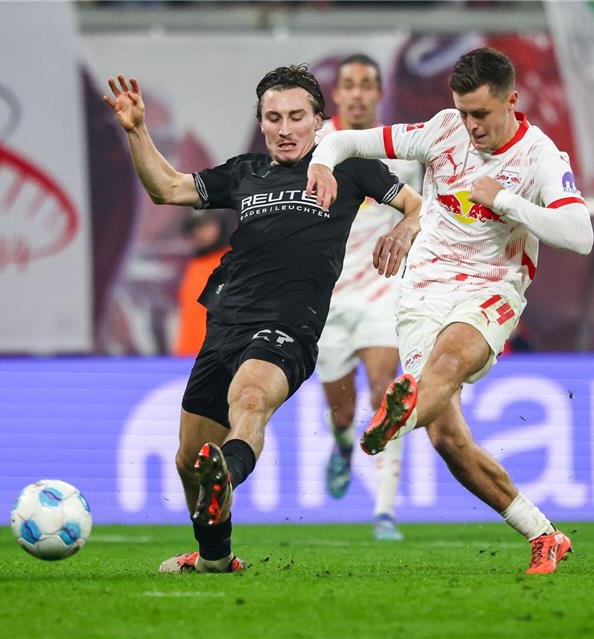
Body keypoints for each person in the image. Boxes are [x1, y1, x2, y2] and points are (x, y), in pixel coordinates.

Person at [104, 66, 422, 573]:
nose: (285, 128)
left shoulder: (349, 167)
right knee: (188, 457)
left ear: (319, 121)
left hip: (291, 324)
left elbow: (418, 207)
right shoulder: (245, 172)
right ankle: (215, 556)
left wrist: (405, 229)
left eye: (297, 117)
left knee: (250, 400)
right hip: (227, 323)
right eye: (274, 118)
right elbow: (167, 188)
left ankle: (226, 477)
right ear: (262, 123)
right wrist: (138, 130)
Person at [307, 47, 594, 574]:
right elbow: (347, 140)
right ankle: (544, 534)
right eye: (463, 112)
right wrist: (323, 164)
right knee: (446, 437)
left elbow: (580, 235)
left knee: (447, 363)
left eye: (480, 113)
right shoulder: (442, 131)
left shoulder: (540, 157)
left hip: (491, 290)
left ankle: (396, 421)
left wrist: (506, 201)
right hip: (422, 292)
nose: (470, 125)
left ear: (511, 100)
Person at [316, 54, 423, 541]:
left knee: (385, 392)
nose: (357, 93)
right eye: (349, 84)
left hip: (384, 290)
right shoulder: (318, 148)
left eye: (366, 85)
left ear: (379, 93)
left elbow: (423, 214)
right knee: (342, 411)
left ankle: (384, 511)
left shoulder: (402, 153)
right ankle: (342, 445)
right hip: (328, 299)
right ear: (337, 94)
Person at [173, 211, 230, 356]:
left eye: (207, 225)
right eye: (196, 227)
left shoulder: (232, 262)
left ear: (221, 226)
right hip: (187, 355)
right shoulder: (194, 265)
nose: (201, 232)